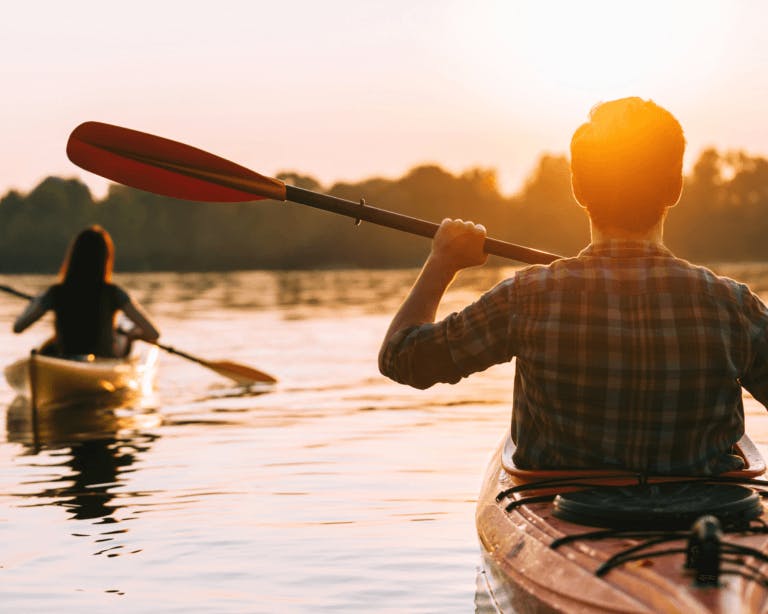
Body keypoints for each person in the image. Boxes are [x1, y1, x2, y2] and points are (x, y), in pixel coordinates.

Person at [379, 97, 768, 476]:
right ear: (675, 188)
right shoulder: (733, 306)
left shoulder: (526, 297)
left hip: (569, 509)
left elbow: (403, 359)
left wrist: (442, 262)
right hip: (712, 517)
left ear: (578, 189)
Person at [13, 225, 160, 358]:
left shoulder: (55, 292)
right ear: (105, 259)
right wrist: (132, 335)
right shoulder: (114, 293)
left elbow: (18, 327)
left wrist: (36, 303)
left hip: (67, 357)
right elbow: (153, 333)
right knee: (122, 337)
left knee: (49, 346)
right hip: (104, 358)